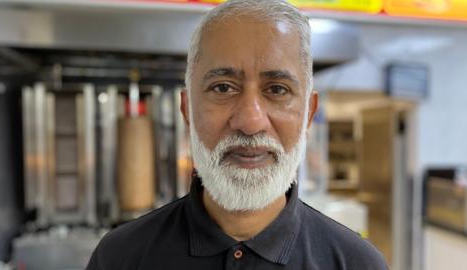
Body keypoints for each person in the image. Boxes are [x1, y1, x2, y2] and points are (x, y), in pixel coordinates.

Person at [86, 0, 389, 269]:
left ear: (308, 114)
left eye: (277, 90)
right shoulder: (119, 258)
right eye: (223, 87)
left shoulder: (356, 263)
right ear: (188, 109)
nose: (250, 122)